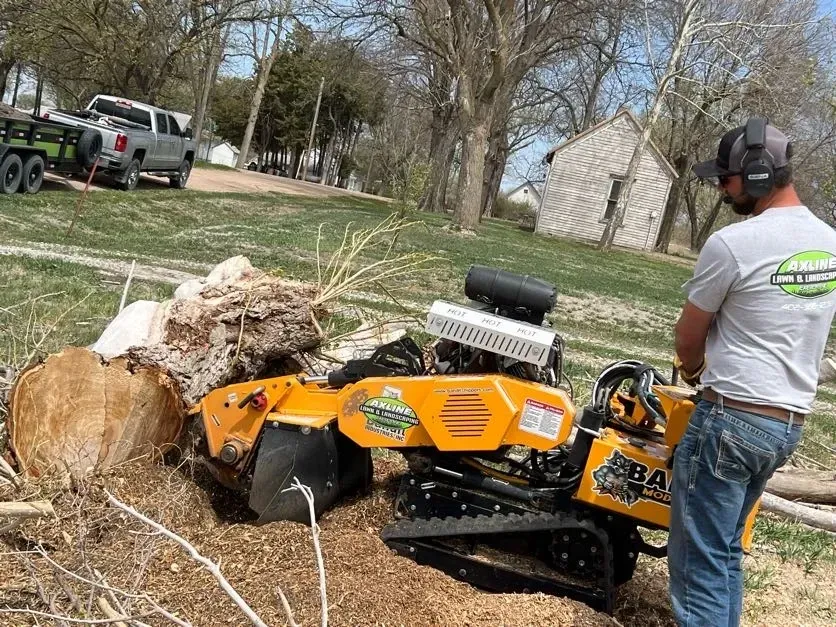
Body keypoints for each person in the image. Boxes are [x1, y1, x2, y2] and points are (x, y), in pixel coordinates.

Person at [668, 118, 836, 627]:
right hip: (786, 426)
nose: (722, 189)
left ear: (759, 173)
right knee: (723, 554)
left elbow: (687, 337)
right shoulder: (830, 244)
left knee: (700, 563)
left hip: (730, 423)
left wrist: (693, 371)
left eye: (728, 178)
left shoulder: (734, 244)